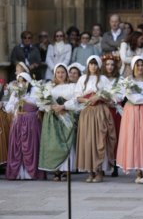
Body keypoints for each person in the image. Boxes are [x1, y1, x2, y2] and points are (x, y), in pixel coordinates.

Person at [74, 55, 117, 183]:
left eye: (95, 64)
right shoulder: (82, 79)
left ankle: (99, 170)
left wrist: (99, 97)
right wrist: (87, 99)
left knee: (99, 139)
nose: (93, 66)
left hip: (99, 111)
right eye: (91, 64)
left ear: (99, 66)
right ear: (88, 65)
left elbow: (110, 96)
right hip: (87, 112)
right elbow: (77, 96)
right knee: (88, 140)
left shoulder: (103, 79)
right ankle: (90, 170)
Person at [116, 56, 143, 184]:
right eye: (137, 65)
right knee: (134, 140)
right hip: (132, 112)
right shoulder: (127, 81)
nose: (140, 68)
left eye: (142, 65)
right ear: (133, 67)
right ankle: (138, 170)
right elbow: (129, 96)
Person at [38, 63, 76, 181]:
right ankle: (56, 170)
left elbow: (75, 101)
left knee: (66, 142)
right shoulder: (49, 87)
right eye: (58, 72)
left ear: (66, 74)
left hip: (66, 116)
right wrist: (50, 107)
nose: (60, 74)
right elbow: (41, 103)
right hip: (52, 119)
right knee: (53, 144)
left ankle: (66, 170)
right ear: (55, 74)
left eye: (63, 72)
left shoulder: (72, 86)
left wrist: (63, 106)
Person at [5, 72, 45, 180]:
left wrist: (25, 100)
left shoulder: (34, 90)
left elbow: (40, 104)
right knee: (17, 146)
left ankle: (30, 173)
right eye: (19, 81)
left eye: (23, 80)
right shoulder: (15, 92)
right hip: (18, 120)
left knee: (30, 146)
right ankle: (17, 173)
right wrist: (16, 101)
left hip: (30, 121)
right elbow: (8, 108)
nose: (21, 83)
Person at [102, 54, 123, 177]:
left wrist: (113, 100)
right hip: (104, 110)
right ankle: (104, 164)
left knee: (114, 136)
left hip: (115, 111)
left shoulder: (119, 80)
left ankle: (115, 164)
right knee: (103, 136)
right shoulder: (100, 79)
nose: (110, 67)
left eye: (112, 65)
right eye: (107, 64)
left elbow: (121, 94)